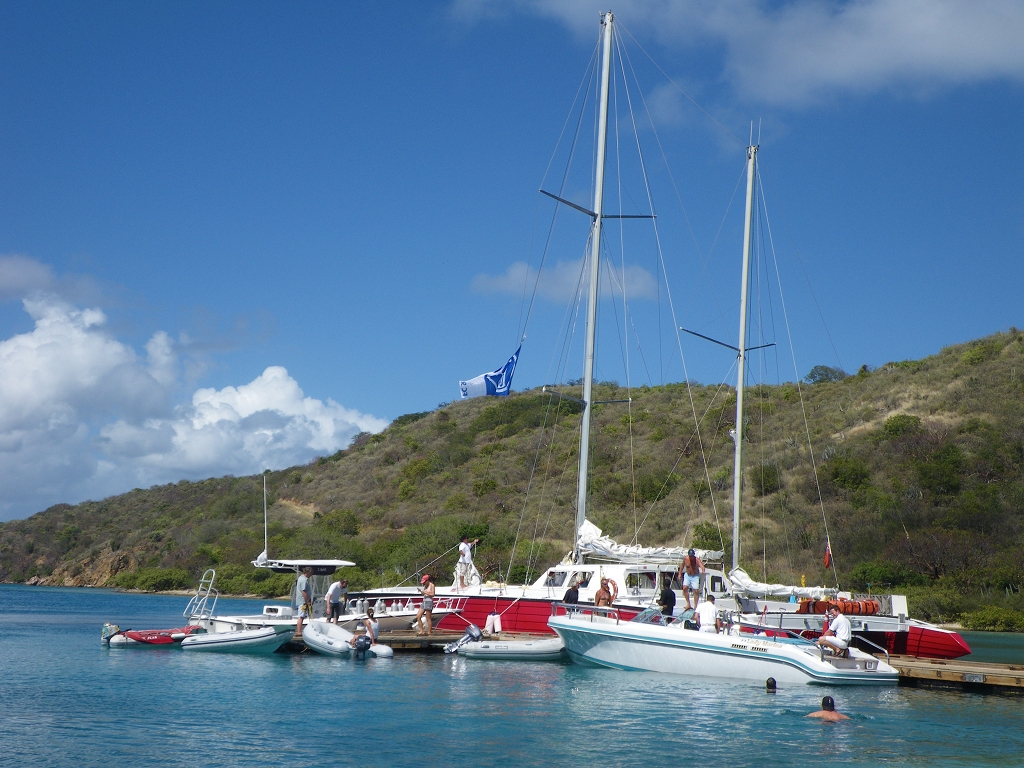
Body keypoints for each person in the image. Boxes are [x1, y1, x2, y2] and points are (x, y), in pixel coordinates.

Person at [296, 566, 315, 636]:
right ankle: (299, 632)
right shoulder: (304, 580)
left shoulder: (301, 578)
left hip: (303, 601)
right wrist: (307, 601)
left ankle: (300, 631)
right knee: (301, 616)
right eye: (310, 573)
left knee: (302, 616)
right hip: (302, 601)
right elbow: (304, 591)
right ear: (307, 572)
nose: (311, 575)